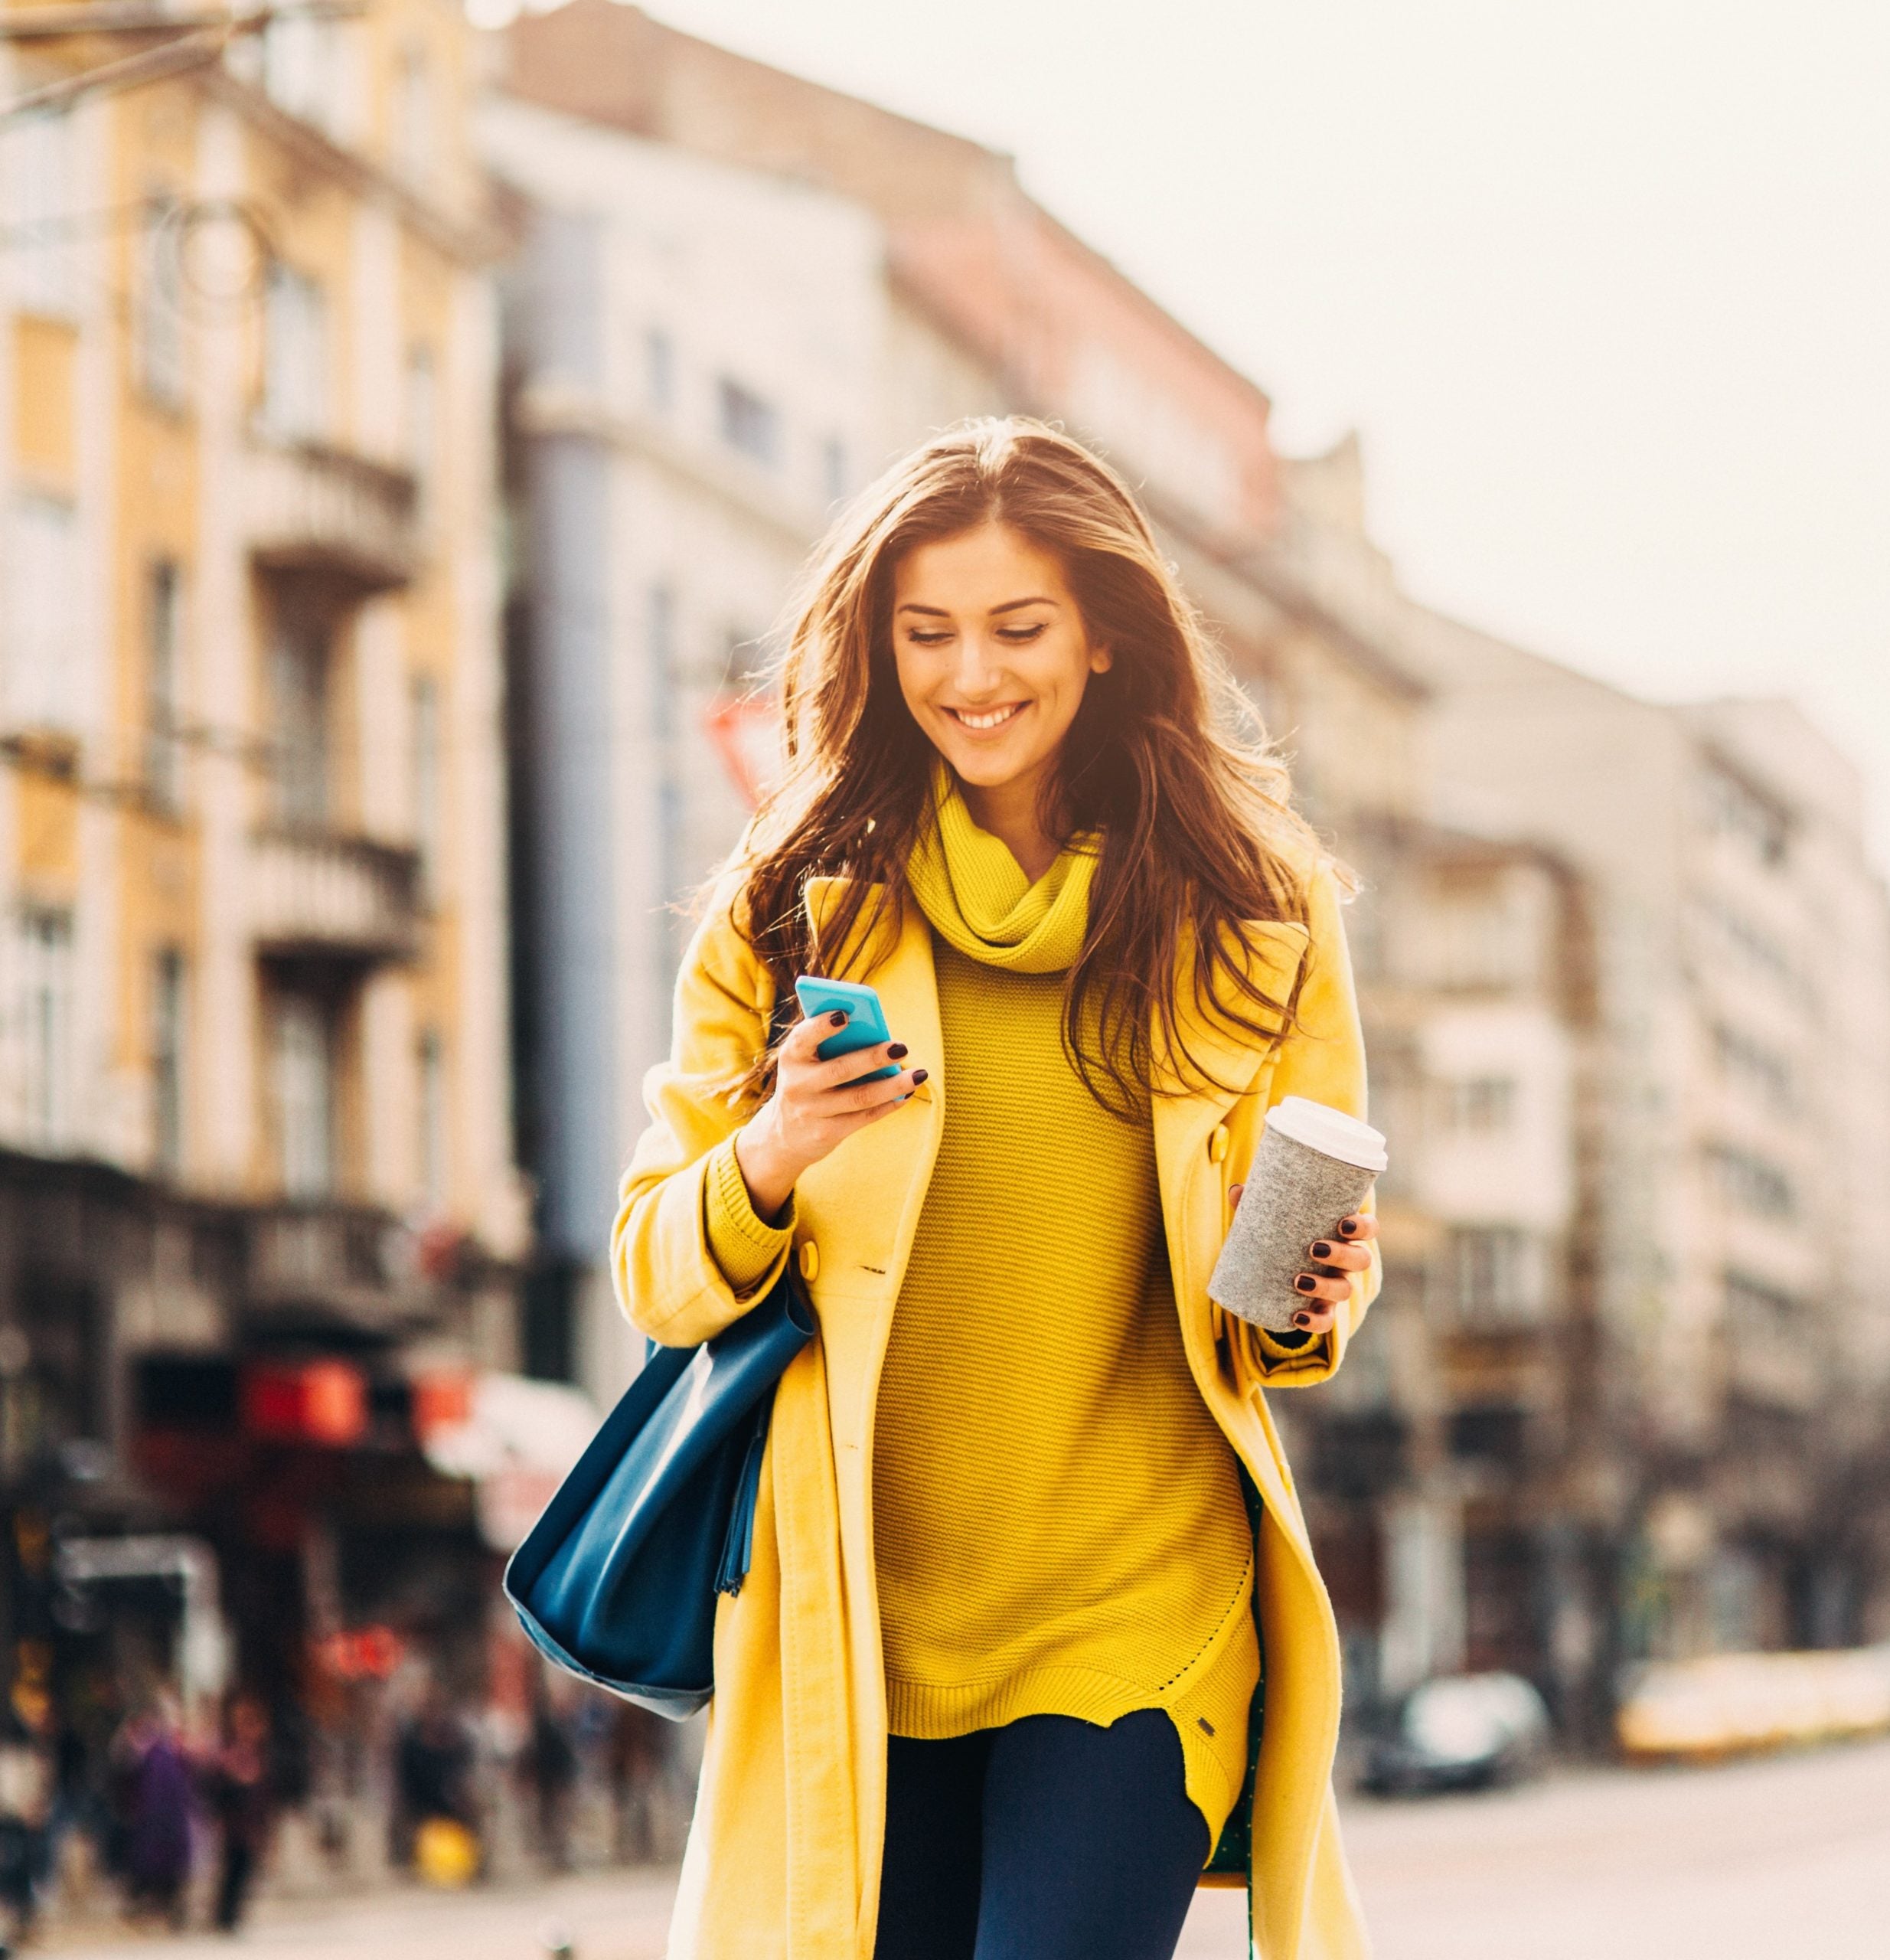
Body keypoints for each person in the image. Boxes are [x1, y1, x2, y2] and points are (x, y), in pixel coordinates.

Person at [615, 419, 1380, 1960]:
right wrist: (772, 1147)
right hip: (858, 1628)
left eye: (1017, 627)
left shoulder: (1253, 905)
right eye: (927, 633)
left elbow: (1280, 1300)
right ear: (877, 644)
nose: (971, 673)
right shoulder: (787, 906)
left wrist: (1315, 1294)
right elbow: (655, 1272)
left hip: (1135, 1619)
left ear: (1102, 634)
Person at [202, 1693, 273, 1932]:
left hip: (250, 1825)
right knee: (232, 1869)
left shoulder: (257, 1754)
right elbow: (216, 1790)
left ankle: (232, 1914)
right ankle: (224, 1915)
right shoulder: (227, 1755)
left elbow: (263, 1795)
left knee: (245, 1869)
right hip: (233, 1824)